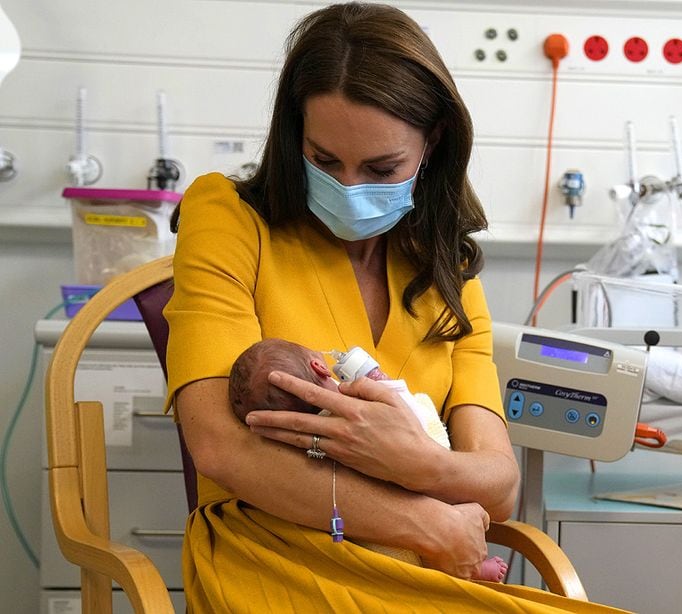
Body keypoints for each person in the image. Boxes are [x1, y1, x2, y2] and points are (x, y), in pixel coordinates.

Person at [163, 3, 626, 612]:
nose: (349, 188)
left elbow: (499, 484)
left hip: (426, 573)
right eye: (324, 161)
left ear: (432, 144)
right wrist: (427, 523)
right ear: (293, 136)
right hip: (277, 559)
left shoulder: (447, 269)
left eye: (381, 168)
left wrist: (413, 461)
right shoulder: (227, 217)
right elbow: (222, 449)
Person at [227, 337, 508, 582]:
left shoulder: (288, 446)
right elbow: (413, 416)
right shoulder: (361, 400)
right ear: (320, 367)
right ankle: (470, 569)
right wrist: (383, 383)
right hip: (429, 515)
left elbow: (503, 492)